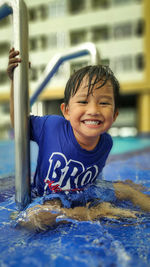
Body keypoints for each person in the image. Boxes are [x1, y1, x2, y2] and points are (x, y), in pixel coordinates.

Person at [7, 48, 150, 231]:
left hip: (84, 194)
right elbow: (18, 122)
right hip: (50, 200)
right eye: (83, 102)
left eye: (104, 103)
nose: (93, 110)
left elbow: (93, 184)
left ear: (114, 115)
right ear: (66, 111)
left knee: (128, 190)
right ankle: (96, 213)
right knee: (31, 219)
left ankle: (91, 210)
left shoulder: (106, 143)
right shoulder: (52, 127)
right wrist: (16, 82)